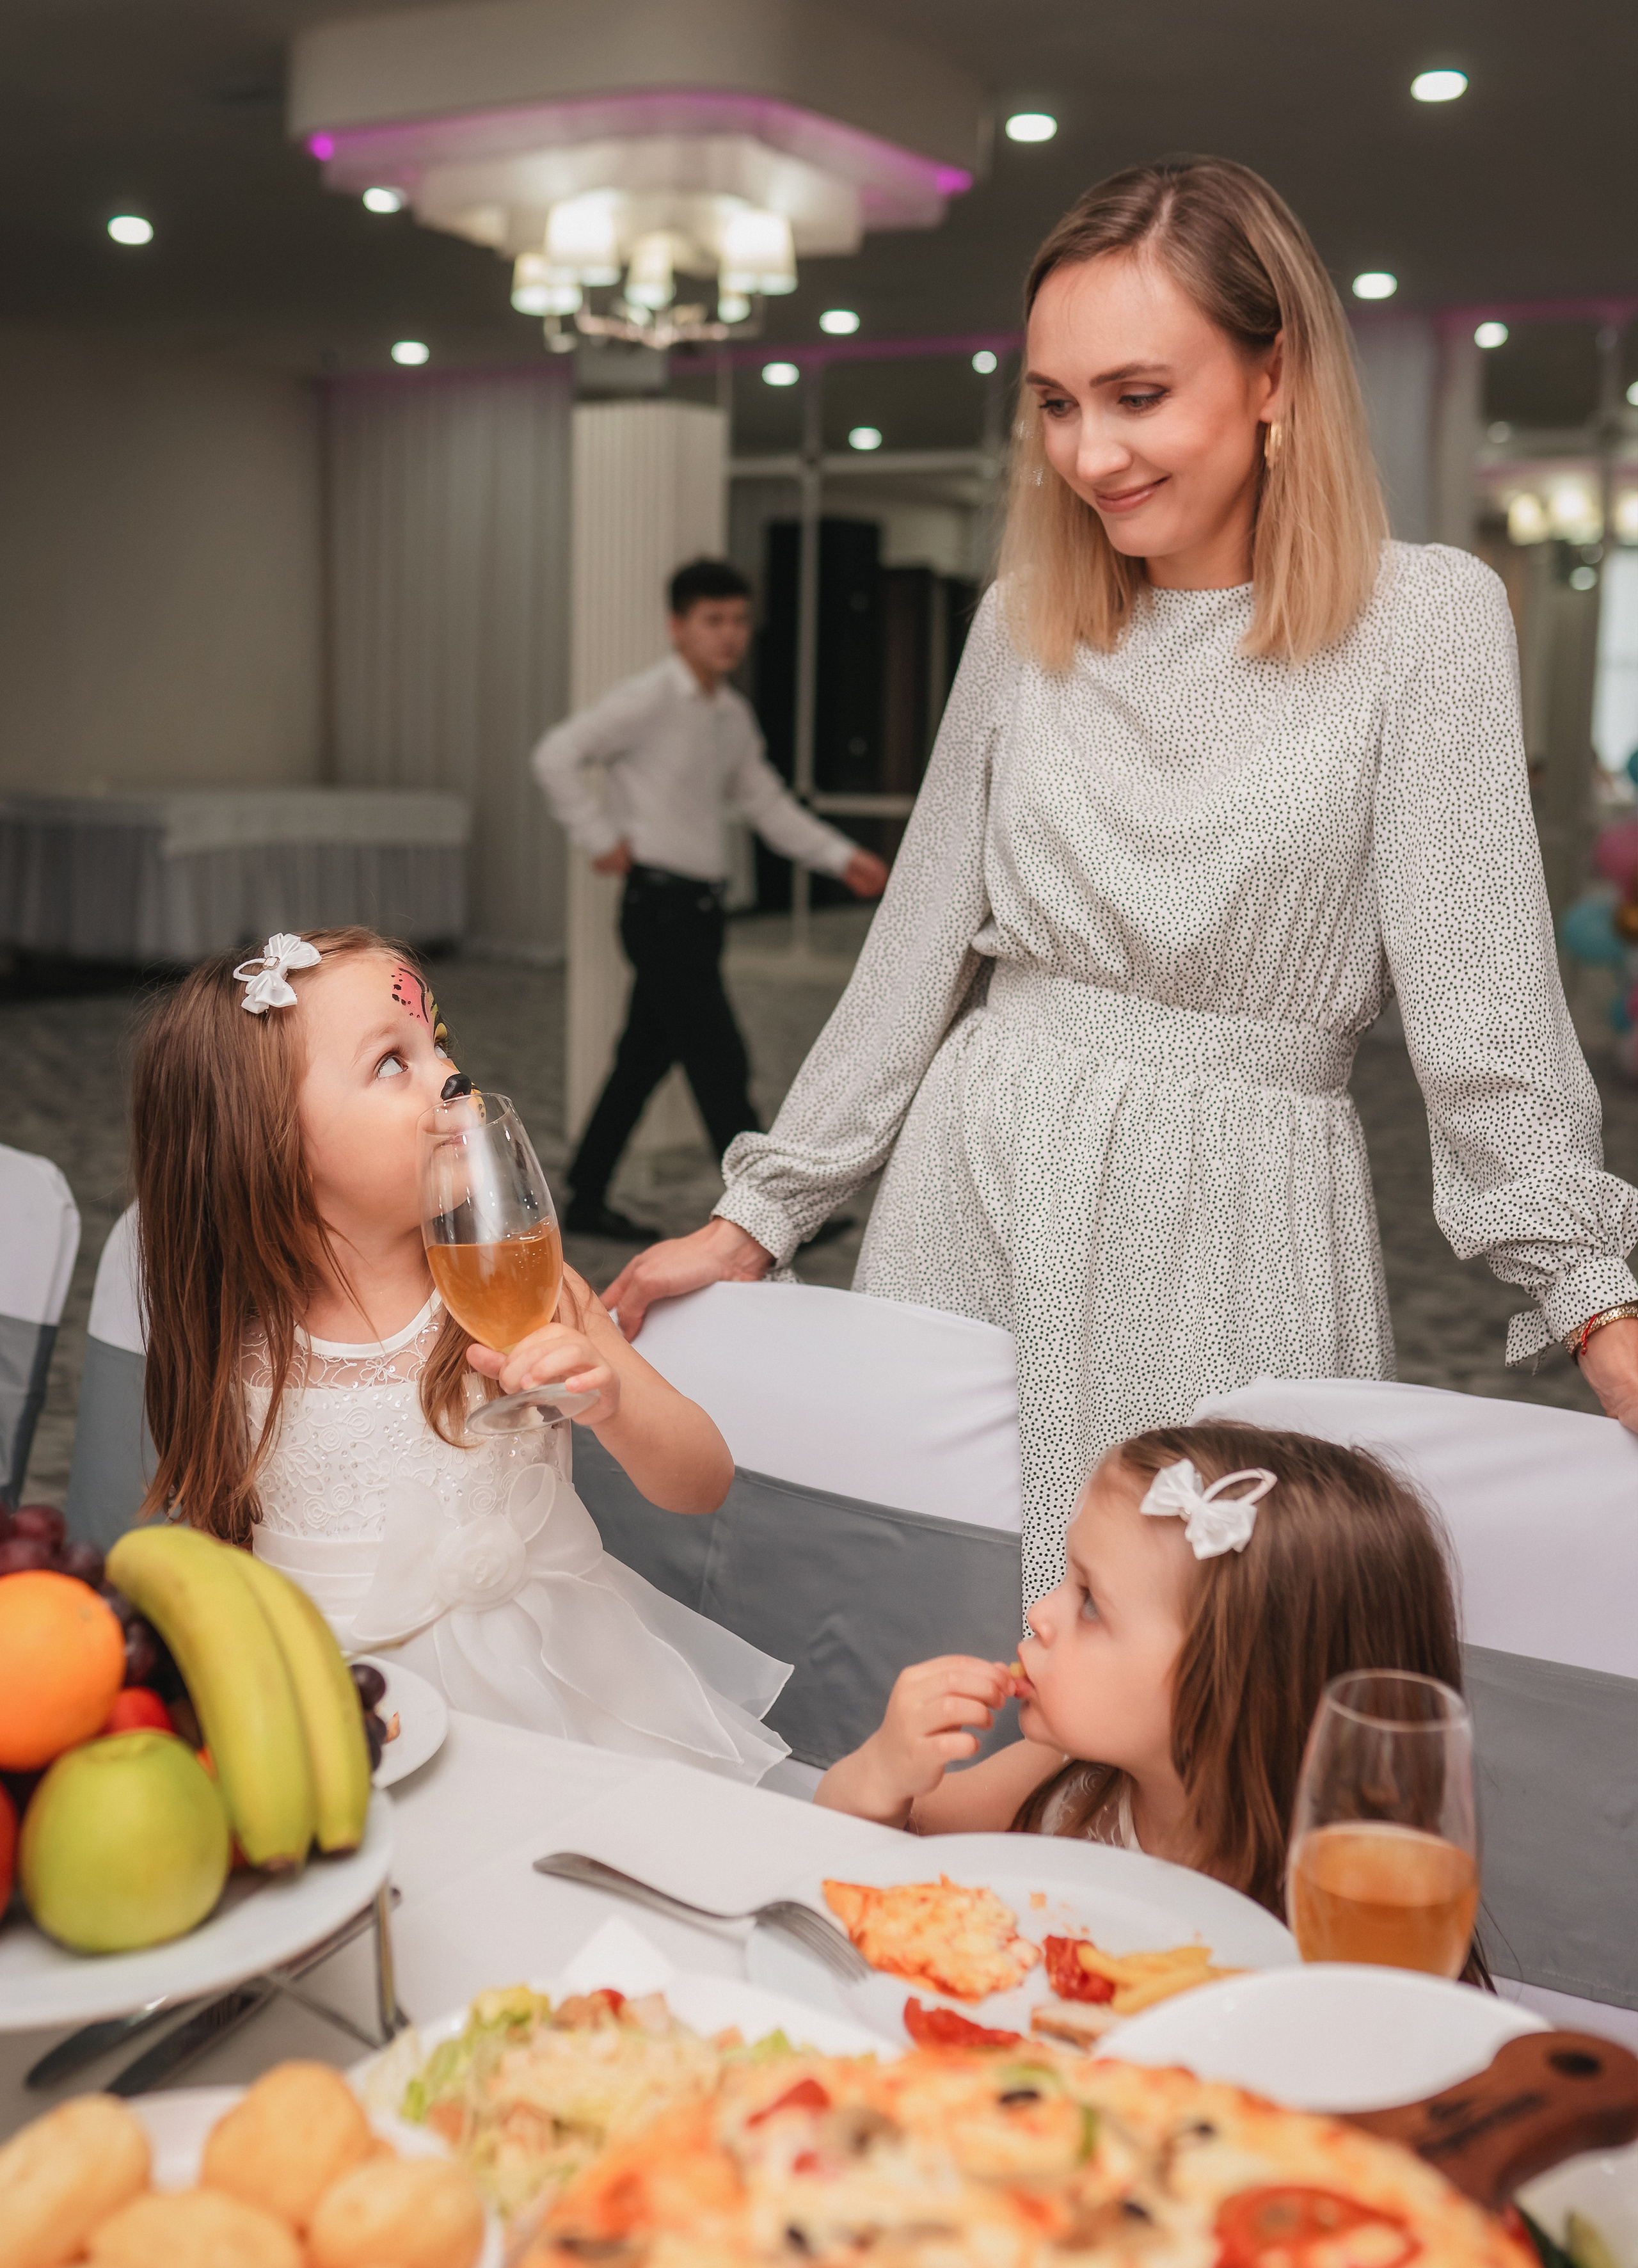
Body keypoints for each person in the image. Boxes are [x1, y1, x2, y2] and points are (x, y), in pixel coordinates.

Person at [606, 157, 1638, 1611]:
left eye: (1136, 394)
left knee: (1208, 1661)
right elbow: (909, 958)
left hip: (1231, 1201)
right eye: (1053, 401)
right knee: (933, 1631)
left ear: (1270, 371)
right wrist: (761, 1211)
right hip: (978, 1166)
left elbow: (1483, 1008)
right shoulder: (1018, 618)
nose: (1087, 453)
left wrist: (1593, 1291)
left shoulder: (1425, 622)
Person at [129, 926, 791, 1782]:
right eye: (392, 1063)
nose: (450, 1074)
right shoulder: (243, 1355)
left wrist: (612, 1407)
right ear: (269, 1147)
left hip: (567, 1697)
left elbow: (704, 1482)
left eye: (438, 1040)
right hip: (357, 1726)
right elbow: (228, 1568)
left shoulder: (522, 1289)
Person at [815, 1421, 1465, 1926]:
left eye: (1091, 1602)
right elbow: (871, 1860)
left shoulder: (1343, 1900)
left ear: (1238, 1685)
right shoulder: (1064, 1778)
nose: (1041, 1614)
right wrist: (881, 1775)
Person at [533, 557, 890, 1243]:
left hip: (700, 912)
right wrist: (598, 837)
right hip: (658, 908)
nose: (729, 635)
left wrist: (840, 858)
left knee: (641, 1060)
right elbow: (557, 753)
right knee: (720, 1062)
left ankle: (583, 1197)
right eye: (713, 621)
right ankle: (771, 1215)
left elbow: (767, 804)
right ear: (678, 627)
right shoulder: (647, 699)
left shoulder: (730, 716)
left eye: (738, 622)